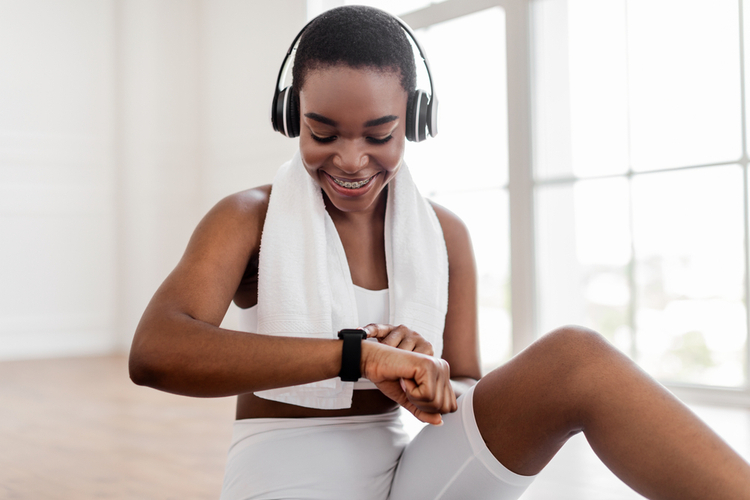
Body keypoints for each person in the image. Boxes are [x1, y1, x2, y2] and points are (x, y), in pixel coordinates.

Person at [128, 6, 750, 500]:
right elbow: (156, 353)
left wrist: (430, 384)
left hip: (412, 467)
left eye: (379, 134)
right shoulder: (250, 217)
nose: (349, 159)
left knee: (575, 357)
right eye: (322, 133)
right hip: (290, 464)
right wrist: (358, 357)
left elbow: (468, 391)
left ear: (414, 120)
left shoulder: (443, 233)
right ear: (292, 114)